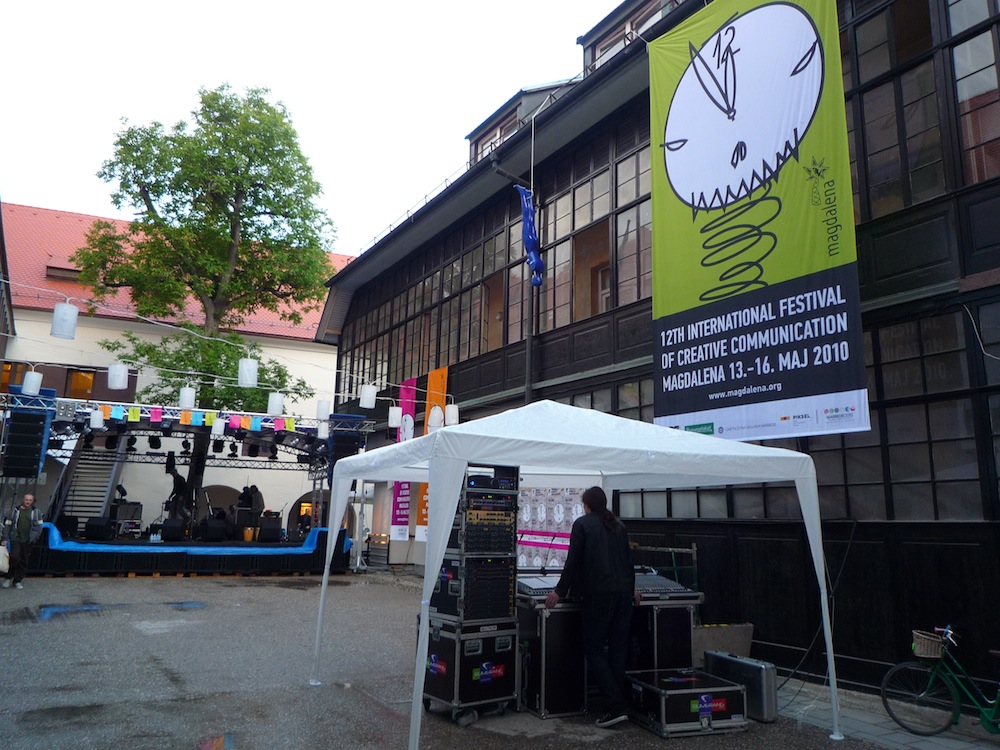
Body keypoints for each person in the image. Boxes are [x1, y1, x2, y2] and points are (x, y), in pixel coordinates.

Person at [545, 486, 638, 728]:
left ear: (586, 504)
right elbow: (629, 563)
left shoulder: (583, 525)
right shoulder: (619, 525)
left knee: (594, 649)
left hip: (598, 596)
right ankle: (614, 707)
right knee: (618, 650)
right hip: (623, 596)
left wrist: (559, 591)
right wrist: (633, 589)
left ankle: (616, 705)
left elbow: (573, 562)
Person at [2, 493, 44, 589]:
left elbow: (39, 527)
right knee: (14, 557)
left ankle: (17, 581)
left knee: (23, 561)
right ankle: (8, 578)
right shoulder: (14, 511)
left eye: (30, 500)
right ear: (23, 500)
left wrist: (35, 537)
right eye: (26, 499)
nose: (28, 502)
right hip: (15, 539)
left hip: (28, 540)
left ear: (32, 501)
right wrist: (5, 538)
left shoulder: (36, 512)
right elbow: (8, 525)